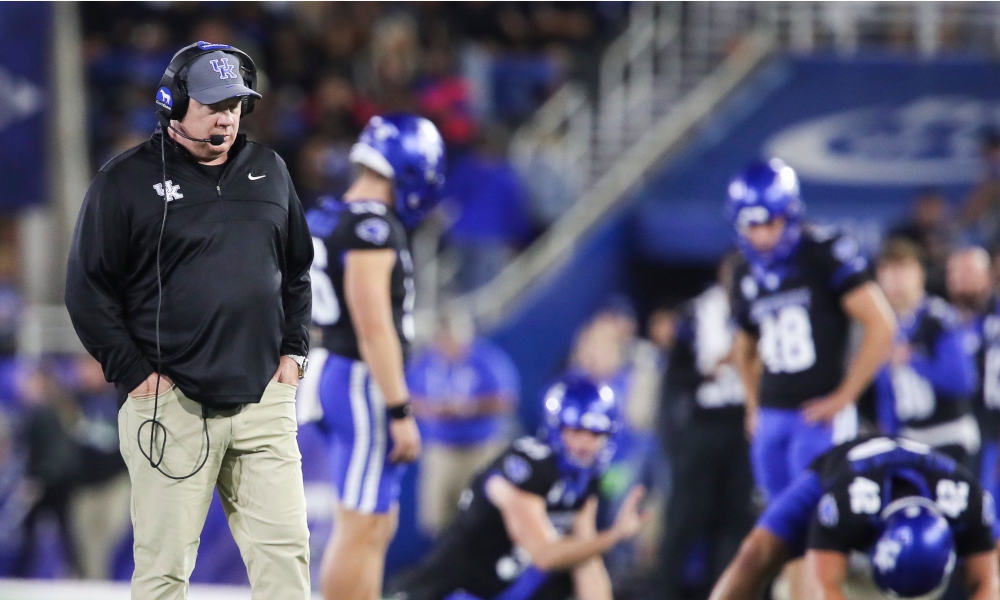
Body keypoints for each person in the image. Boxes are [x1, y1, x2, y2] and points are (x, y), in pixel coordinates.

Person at [65, 41, 313, 599]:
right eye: (211, 103)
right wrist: (135, 374)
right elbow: (86, 290)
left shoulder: (270, 170)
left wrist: (293, 354)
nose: (227, 115)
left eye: (236, 103)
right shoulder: (124, 182)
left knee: (287, 562)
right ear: (173, 106)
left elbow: (298, 271)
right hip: (170, 408)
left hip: (263, 404)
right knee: (163, 574)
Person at [728, 158, 896, 599]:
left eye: (772, 222)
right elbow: (743, 348)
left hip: (817, 417)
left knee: (819, 535)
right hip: (773, 419)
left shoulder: (823, 251)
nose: (764, 234)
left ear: (791, 213)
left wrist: (845, 396)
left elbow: (881, 324)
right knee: (779, 537)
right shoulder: (746, 273)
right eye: (754, 225)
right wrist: (752, 404)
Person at [305, 113, 446, 600]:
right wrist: (399, 408)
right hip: (362, 379)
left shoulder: (328, 213)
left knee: (377, 521)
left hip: (342, 370)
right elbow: (373, 325)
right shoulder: (371, 226)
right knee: (361, 524)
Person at [390, 374, 648, 600]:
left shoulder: (585, 478)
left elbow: (587, 560)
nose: (585, 442)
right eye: (576, 430)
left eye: (595, 433)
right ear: (556, 427)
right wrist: (614, 536)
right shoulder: (525, 465)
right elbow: (543, 554)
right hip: (453, 590)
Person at [707, 435, 1000, 600]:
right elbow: (822, 586)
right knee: (754, 554)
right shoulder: (848, 502)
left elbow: (989, 584)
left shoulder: (971, 503)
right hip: (833, 474)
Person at [658, 254, 753, 600]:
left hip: (745, 423)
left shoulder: (765, 311)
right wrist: (707, 371)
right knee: (684, 519)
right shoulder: (695, 312)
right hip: (704, 423)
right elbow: (674, 375)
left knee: (735, 520)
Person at [408, 309, 520, 536]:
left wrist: (468, 408)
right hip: (440, 451)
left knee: (481, 515)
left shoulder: (486, 358)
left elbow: (506, 400)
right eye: (443, 336)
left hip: (480, 450)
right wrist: (431, 409)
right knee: (438, 519)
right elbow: (407, 397)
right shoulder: (427, 361)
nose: (447, 342)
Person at [875, 239, 979, 465]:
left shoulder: (938, 319)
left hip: (948, 437)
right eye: (889, 271)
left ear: (920, 273)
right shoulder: (885, 326)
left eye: (903, 270)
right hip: (908, 439)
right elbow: (887, 392)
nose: (896, 280)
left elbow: (963, 380)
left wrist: (912, 359)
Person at [946, 247, 1000, 498]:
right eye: (954, 273)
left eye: (968, 272)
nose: (960, 280)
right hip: (960, 433)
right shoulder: (940, 323)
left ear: (988, 275)